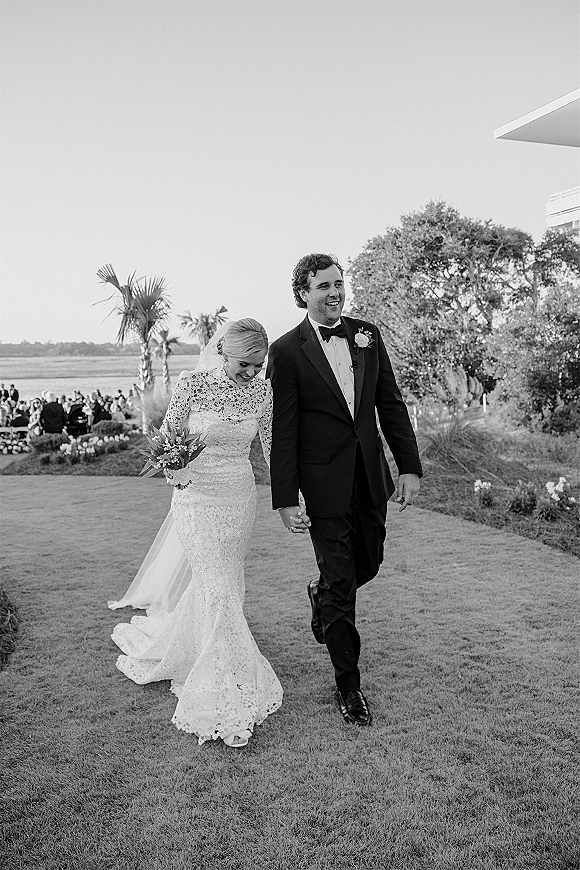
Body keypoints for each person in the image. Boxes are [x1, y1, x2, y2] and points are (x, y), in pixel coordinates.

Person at [266, 253, 422, 728]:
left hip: (370, 476)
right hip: (323, 485)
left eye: (338, 283)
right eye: (323, 286)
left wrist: (408, 467)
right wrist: (285, 498)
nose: (334, 293)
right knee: (341, 582)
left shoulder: (367, 335)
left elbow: (390, 404)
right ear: (303, 294)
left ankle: (321, 596)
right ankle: (349, 686)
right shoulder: (287, 351)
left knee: (367, 564)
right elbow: (284, 428)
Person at [110, 319, 283, 748]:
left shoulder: (263, 393)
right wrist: (175, 469)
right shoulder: (192, 385)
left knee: (225, 583)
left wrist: (291, 495)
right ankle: (222, 675)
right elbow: (168, 439)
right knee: (216, 583)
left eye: (258, 366)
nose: (251, 373)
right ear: (222, 352)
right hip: (194, 500)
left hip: (238, 500)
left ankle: (206, 647)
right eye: (245, 363)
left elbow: (273, 448)